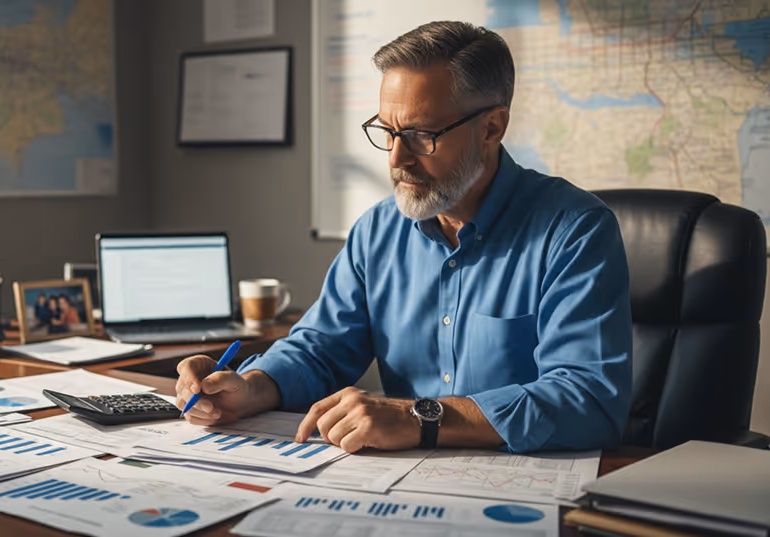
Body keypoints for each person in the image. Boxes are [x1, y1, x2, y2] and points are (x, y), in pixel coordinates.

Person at [174, 21, 632, 454]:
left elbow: (588, 399)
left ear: (492, 127)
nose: (396, 158)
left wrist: (421, 418)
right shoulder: (378, 230)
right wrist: (252, 387)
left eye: (420, 135)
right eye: (387, 131)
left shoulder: (574, 230)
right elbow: (321, 347)